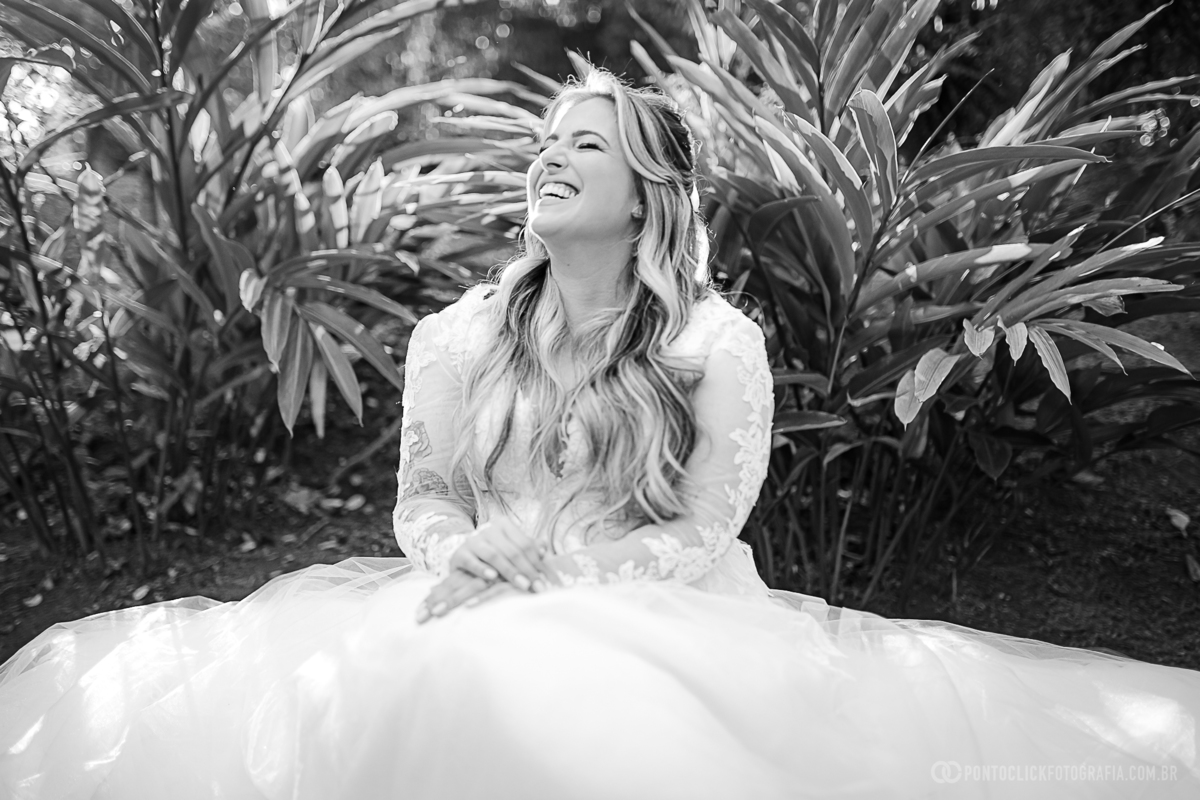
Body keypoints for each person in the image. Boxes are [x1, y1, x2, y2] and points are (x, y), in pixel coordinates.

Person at [2, 67, 1199, 800]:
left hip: (664, 612)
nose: (548, 155)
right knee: (428, 674)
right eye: (546, 140)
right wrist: (463, 550)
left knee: (553, 687)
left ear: (646, 197)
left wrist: (573, 578)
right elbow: (426, 496)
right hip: (470, 596)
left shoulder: (713, 344)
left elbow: (706, 522)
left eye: (584, 142)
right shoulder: (456, 339)